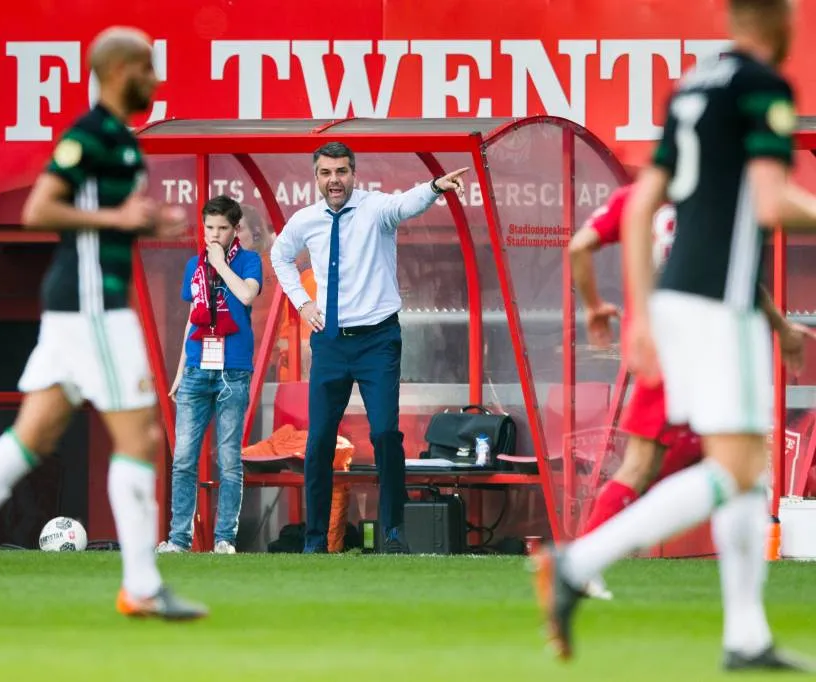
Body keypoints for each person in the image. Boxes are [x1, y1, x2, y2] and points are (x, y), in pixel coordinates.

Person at [535, 0, 816, 669]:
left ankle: (745, 636)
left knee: (747, 475)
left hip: (685, 303)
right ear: (780, 22)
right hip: (723, 303)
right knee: (739, 470)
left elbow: (640, 214)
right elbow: (773, 202)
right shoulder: (762, 87)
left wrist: (644, 315)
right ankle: (579, 562)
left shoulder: (693, 87)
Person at [0, 26, 206, 622]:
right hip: (93, 306)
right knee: (140, 437)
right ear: (119, 70)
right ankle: (142, 586)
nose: (156, 78)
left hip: (79, 305)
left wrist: (133, 223)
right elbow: (38, 208)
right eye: (148, 67)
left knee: (34, 435)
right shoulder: (90, 135)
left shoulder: (119, 138)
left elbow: (99, 217)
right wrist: (121, 216)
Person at [568, 182, 807, 599]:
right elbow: (740, 279)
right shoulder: (711, 201)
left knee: (712, 469)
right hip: (694, 350)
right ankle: (580, 562)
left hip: (658, 349)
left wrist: (593, 306)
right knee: (676, 468)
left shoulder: (634, 198)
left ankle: (584, 560)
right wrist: (782, 329)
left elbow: (579, 247)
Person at [270, 141, 467, 554]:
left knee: (384, 435)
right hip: (330, 343)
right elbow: (280, 255)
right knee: (320, 439)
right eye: (326, 173)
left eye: (341, 171)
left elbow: (404, 205)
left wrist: (433, 187)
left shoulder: (375, 209)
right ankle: (314, 540)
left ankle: (393, 533)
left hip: (377, 340)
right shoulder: (306, 219)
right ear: (317, 177)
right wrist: (303, 303)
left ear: (353, 174)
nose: (334, 180)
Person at [157, 195, 262, 554]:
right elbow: (193, 318)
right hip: (197, 367)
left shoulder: (249, 260)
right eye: (209, 228)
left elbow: (247, 296)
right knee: (184, 456)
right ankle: (179, 539)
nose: (214, 235)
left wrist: (220, 263)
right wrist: (179, 371)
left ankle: (224, 539)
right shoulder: (193, 265)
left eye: (222, 228)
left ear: (235, 231)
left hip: (233, 368)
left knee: (229, 457)